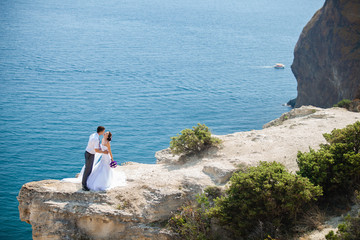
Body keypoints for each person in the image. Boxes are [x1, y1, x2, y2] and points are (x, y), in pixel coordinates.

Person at [82, 126, 108, 191]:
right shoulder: (96, 138)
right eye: (103, 131)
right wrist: (103, 152)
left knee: (89, 169)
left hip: (89, 152)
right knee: (88, 169)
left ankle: (87, 182)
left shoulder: (93, 135)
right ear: (101, 131)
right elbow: (96, 150)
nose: (104, 132)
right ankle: (84, 185)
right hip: (90, 154)